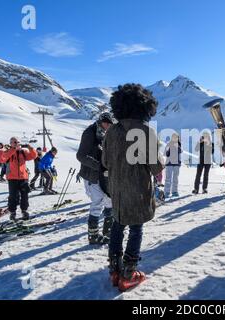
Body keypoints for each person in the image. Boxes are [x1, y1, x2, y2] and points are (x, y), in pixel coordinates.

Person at [102, 84, 164, 292]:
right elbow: (156, 166)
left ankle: (114, 269)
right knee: (136, 228)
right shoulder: (146, 131)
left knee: (117, 225)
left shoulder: (112, 130)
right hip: (138, 188)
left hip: (118, 187)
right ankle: (129, 273)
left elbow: (105, 160)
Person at [77, 112, 114, 245]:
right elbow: (81, 156)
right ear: (100, 121)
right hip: (92, 175)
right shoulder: (90, 133)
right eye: (106, 123)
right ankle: (93, 236)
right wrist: (99, 166)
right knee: (97, 203)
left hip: (103, 175)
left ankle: (108, 231)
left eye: (110, 124)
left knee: (110, 200)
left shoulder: (104, 133)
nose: (108, 126)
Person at [0, 137, 37, 221]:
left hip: (23, 177)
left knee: (24, 195)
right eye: (15, 142)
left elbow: (33, 156)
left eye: (18, 142)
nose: (17, 143)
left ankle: (24, 211)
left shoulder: (23, 152)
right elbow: (3, 158)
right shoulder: (8, 151)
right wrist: (13, 149)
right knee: (13, 196)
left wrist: (30, 148)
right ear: (11, 143)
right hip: (12, 178)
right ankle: (12, 212)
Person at [164, 133, 182, 198]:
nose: (175, 139)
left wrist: (179, 162)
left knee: (175, 178)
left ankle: (174, 191)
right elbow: (166, 154)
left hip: (176, 164)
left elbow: (180, 154)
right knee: (168, 178)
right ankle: (166, 192)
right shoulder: (169, 144)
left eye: (176, 137)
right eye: (174, 137)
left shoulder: (179, 145)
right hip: (169, 164)